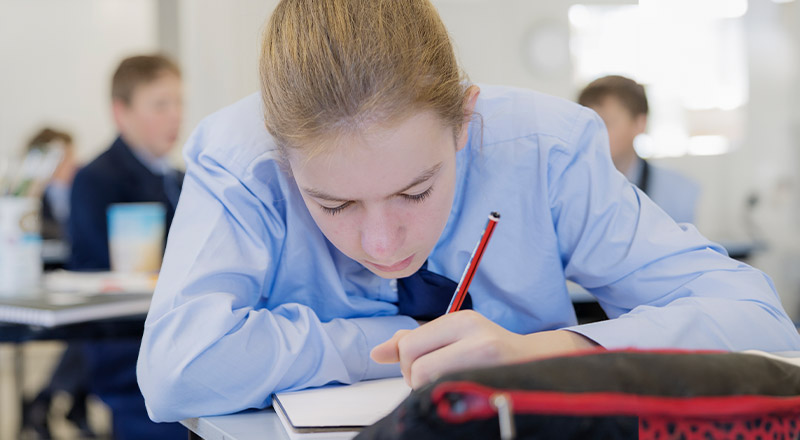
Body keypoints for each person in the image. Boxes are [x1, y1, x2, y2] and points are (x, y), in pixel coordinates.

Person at [137, 0, 800, 423]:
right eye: (334, 203)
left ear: (464, 121)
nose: (383, 242)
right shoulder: (243, 158)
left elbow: (760, 321)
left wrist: (540, 352)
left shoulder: (545, 149)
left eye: (416, 191)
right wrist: (387, 342)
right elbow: (174, 371)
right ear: (282, 159)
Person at [69, 55, 185, 439]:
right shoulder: (96, 179)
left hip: (180, 339)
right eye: (160, 105)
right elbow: (94, 268)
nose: (175, 116)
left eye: (179, 103)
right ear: (122, 113)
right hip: (128, 347)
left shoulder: (180, 178)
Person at [578, 75, 700, 224]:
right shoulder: (569, 188)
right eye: (588, 125)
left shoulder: (679, 192)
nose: (595, 133)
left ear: (640, 124)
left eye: (606, 123)